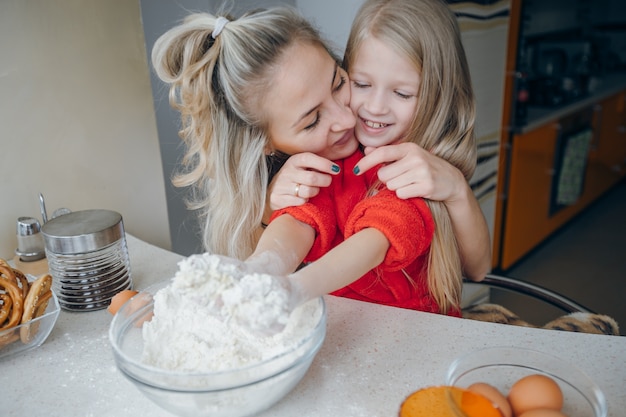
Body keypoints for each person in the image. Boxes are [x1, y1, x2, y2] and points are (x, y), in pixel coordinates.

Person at [151, 5, 488, 297]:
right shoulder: (312, 169)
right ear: (265, 142)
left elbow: (466, 265)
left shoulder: (404, 162)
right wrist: (261, 261)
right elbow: (298, 223)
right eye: (361, 85)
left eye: (340, 83)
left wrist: (457, 189)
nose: (350, 116)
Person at [250, 0, 477, 315]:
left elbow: (377, 237)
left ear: (436, 95)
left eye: (402, 93)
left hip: (416, 332)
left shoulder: (418, 168)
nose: (376, 107)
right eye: (361, 84)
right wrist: (259, 269)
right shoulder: (338, 149)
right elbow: (299, 219)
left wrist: (295, 289)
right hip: (344, 323)